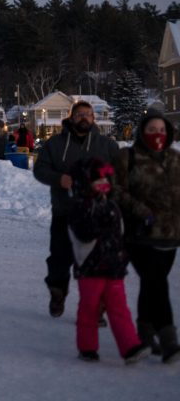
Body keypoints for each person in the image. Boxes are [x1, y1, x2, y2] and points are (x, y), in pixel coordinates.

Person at [33, 101, 119, 318]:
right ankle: (58, 292)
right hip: (65, 210)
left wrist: (106, 182)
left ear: (93, 118)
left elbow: (120, 173)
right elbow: (40, 169)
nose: (84, 118)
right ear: (71, 117)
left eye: (88, 114)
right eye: (80, 114)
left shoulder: (106, 145)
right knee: (59, 258)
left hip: (97, 214)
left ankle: (96, 307)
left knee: (95, 262)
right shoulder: (55, 144)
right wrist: (58, 178)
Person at [67, 157, 150, 364]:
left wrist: (125, 251)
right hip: (90, 267)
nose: (102, 183)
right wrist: (99, 224)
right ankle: (87, 347)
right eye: (97, 179)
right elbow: (83, 234)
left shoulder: (110, 204)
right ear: (85, 182)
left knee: (119, 308)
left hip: (113, 267)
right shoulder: (80, 206)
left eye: (104, 179)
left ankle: (130, 347)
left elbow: (119, 233)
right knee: (90, 308)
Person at [113, 110, 180, 364]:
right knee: (157, 284)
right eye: (152, 130)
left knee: (153, 283)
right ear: (142, 132)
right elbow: (115, 189)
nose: (157, 135)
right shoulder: (127, 157)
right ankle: (168, 338)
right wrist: (139, 210)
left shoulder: (174, 159)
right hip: (139, 234)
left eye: (161, 131)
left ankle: (144, 331)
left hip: (170, 235)